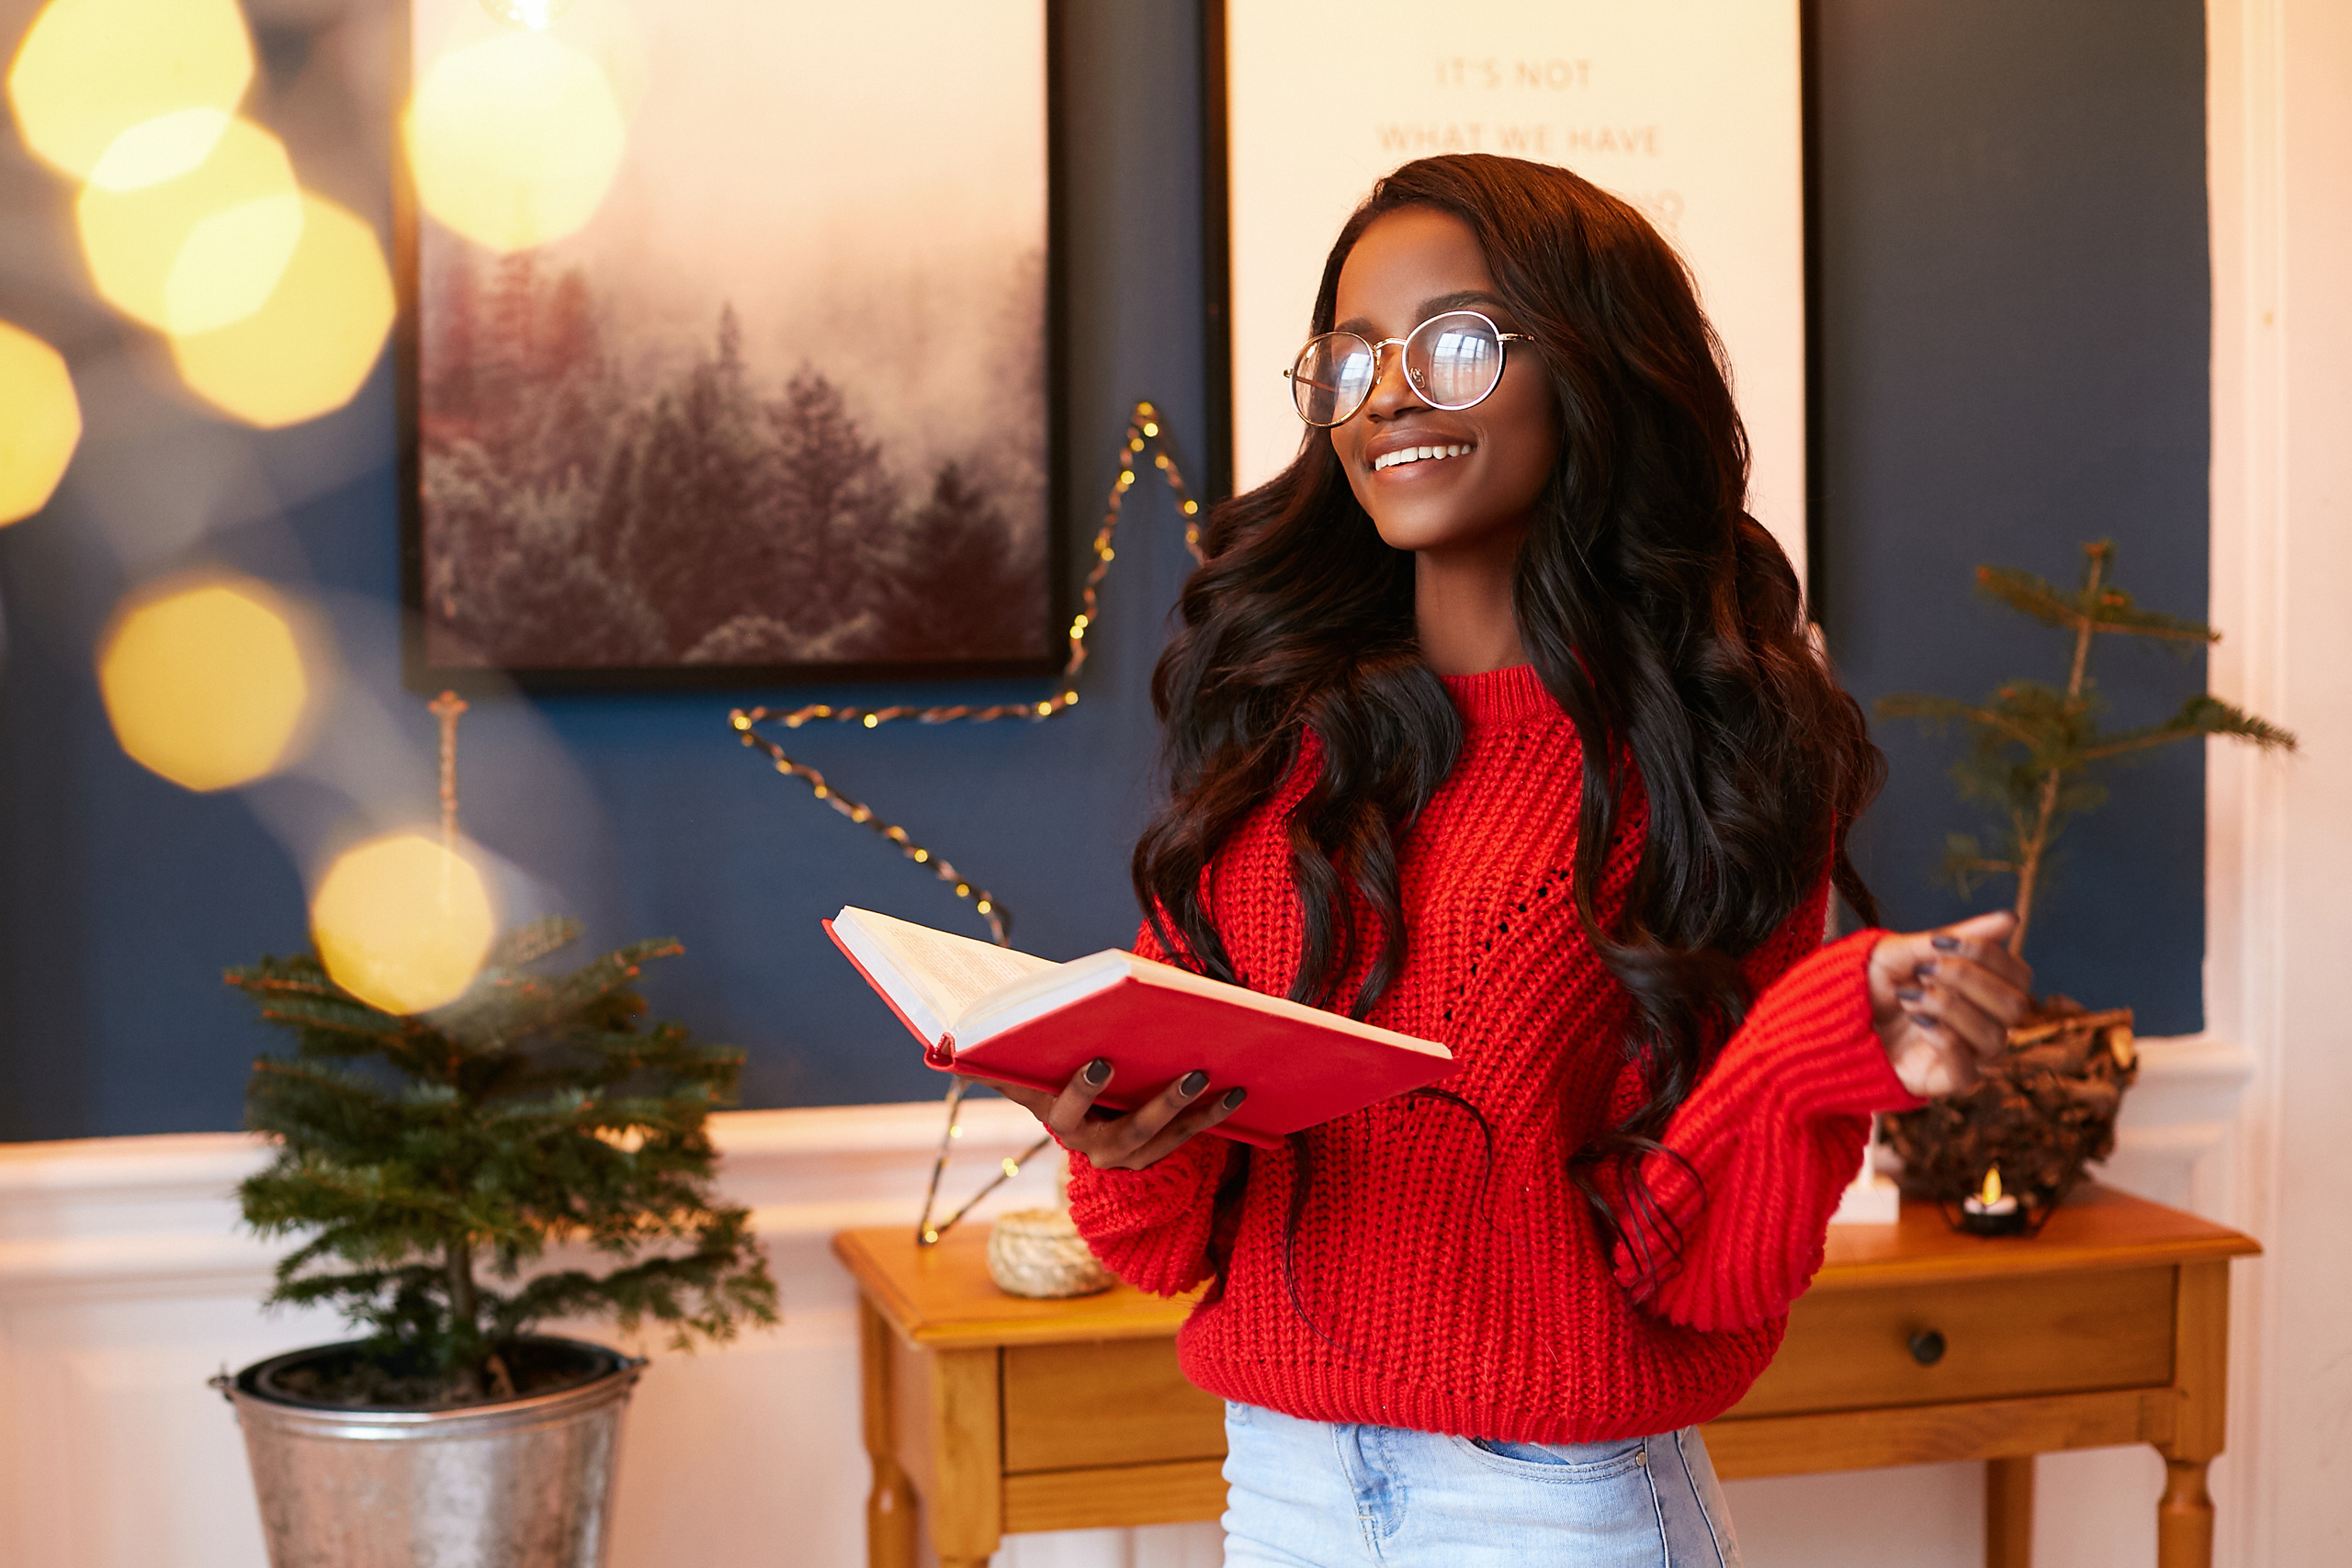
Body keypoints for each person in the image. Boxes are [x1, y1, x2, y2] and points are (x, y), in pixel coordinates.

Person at [993, 154, 2032, 1567]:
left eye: (1457, 345)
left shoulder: (1712, 761)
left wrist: (1812, 1050)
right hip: (1281, 1488)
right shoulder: (1285, 745)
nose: (1391, 394)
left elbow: (1704, 1275)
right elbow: (1163, 1246)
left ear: (1595, 373)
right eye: (1350, 358)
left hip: (1551, 1508)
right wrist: (1115, 1141)